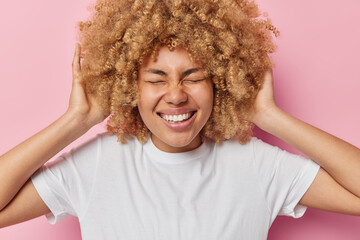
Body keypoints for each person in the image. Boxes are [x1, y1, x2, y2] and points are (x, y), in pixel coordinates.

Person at [0, 0, 359, 239]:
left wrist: (270, 117)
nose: (175, 94)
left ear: (221, 81)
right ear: (129, 86)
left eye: (194, 76)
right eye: (156, 79)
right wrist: (77, 120)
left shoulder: (257, 164)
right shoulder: (94, 165)